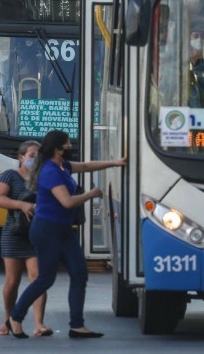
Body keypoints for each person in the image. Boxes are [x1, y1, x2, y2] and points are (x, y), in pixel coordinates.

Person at [7, 130, 127, 339]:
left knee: (79, 273)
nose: (70, 147)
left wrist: (115, 163)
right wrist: (92, 194)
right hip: (47, 230)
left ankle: (77, 325)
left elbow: (87, 166)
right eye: (67, 144)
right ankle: (15, 318)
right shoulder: (50, 171)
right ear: (57, 149)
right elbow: (67, 202)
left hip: (63, 229)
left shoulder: (63, 166)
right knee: (45, 279)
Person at [0, 140, 52, 337]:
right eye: (31, 155)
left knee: (37, 278)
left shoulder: (43, 178)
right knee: (12, 281)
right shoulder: (10, 176)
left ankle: (39, 324)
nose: (35, 160)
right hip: (14, 234)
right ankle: (9, 318)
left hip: (37, 234)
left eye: (38, 156)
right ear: (21, 158)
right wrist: (21, 205)